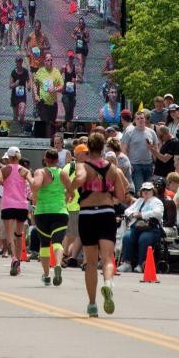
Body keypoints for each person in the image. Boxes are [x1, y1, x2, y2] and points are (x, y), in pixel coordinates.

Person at [74, 130, 128, 317]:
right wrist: (109, 196)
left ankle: (92, 304)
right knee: (107, 258)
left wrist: (72, 184)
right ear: (103, 147)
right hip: (106, 213)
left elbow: (79, 179)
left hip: (87, 214)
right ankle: (107, 283)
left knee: (90, 262)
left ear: (88, 147)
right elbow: (122, 195)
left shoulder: (83, 166)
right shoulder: (113, 169)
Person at [30, 149, 72, 286]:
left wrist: (34, 197)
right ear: (57, 160)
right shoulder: (62, 173)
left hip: (43, 212)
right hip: (60, 211)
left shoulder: (40, 172)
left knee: (44, 244)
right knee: (57, 242)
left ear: (45, 159)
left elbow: (35, 185)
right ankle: (58, 264)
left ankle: (47, 274)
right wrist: (66, 199)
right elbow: (71, 190)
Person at [118, 181, 165, 273]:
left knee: (144, 238)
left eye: (148, 190)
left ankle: (140, 264)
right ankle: (127, 263)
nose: (146, 192)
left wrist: (141, 215)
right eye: (144, 190)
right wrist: (132, 214)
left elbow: (158, 213)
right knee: (127, 237)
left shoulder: (157, 202)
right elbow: (127, 211)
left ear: (153, 191)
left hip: (152, 228)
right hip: (137, 227)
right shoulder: (139, 201)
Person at [0, 146, 32, 274]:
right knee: (19, 235)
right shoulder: (25, 170)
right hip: (22, 205)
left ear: (9, 157)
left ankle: (13, 258)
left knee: (9, 235)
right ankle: (18, 261)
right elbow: (31, 182)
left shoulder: (5, 169)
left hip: (8, 204)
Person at [121, 109, 158, 193]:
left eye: (142, 118)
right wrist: (129, 164)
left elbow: (156, 149)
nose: (140, 120)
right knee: (140, 190)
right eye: (138, 119)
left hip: (149, 165)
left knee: (149, 190)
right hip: (135, 165)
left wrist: (155, 163)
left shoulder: (151, 132)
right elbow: (124, 149)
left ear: (145, 119)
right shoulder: (129, 132)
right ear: (134, 120)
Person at [34, 51, 63, 140]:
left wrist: (55, 89)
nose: (50, 62)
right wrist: (35, 94)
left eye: (51, 60)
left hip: (53, 103)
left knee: (52, 123)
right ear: (44, 61)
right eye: (48, 60)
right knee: (46, 123)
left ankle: (51, 141)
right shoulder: (40, 71)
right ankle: (46, 141)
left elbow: (62, 86)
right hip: (43, 103)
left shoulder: (56, 72)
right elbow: (35, 83)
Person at [10, 55, 30, 133]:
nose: (19, 62)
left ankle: (22, 127)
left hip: (22, 95)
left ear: (22, 62)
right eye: (18, 61)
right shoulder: (13, 72)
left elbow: (28, 80)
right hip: (14, 96)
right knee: (15, 116)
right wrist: (15, 84)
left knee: (22, 112)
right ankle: (16, 131)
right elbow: (10, 85)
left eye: (20, 61)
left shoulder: (25, 71)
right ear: (16, 62)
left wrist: (28, 86)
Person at [61, 53, 79, 129]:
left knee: (71, 111)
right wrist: (61, 82)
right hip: (65, 92)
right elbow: (58, 75)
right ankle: (66, 126)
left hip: (72, 92)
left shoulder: (76, 68)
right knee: (67, 108)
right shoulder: (64, 67)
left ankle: (69, 127)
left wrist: (76, 79)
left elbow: (80, 78)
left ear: (73, 59)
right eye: (69, 58)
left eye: (72, 58)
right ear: (67, 58)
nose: (70, 59)